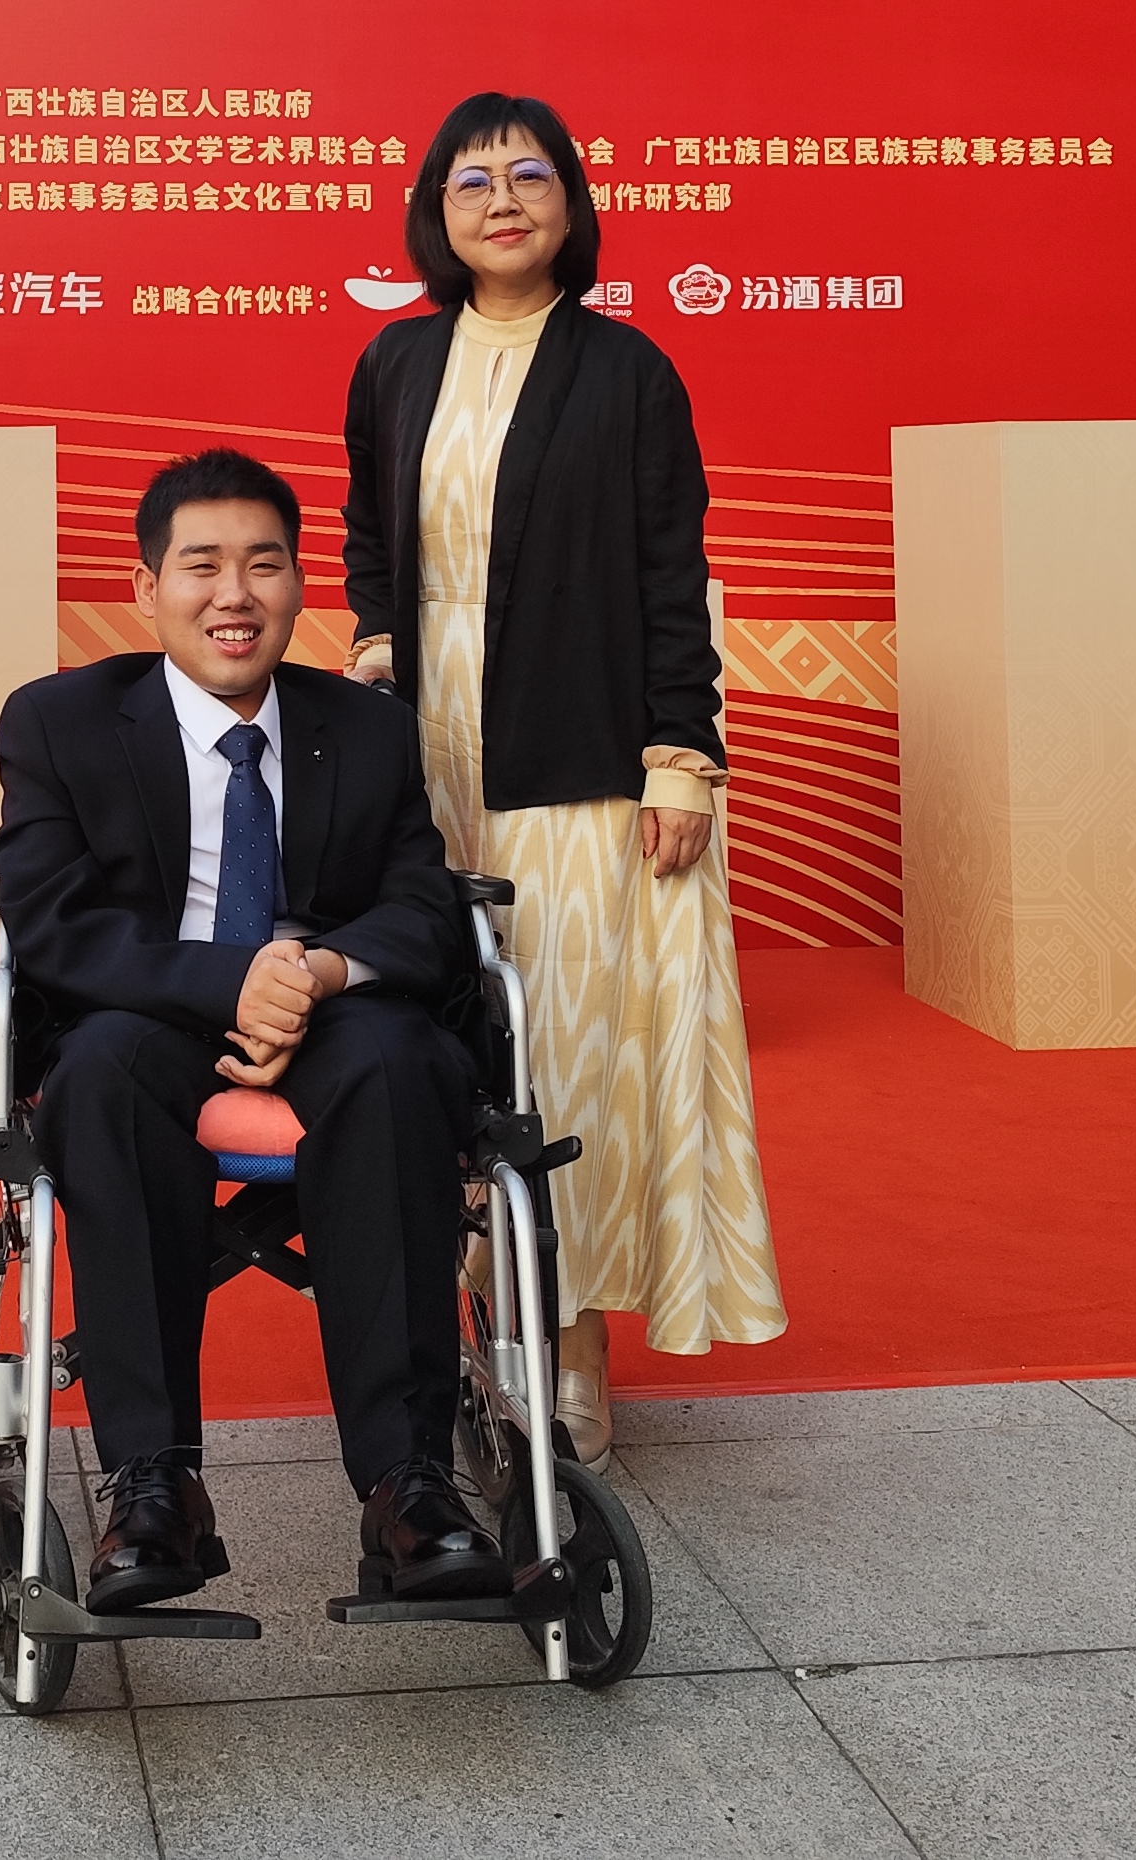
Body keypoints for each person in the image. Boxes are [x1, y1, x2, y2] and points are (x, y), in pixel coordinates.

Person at [0, 446, 511, 1613]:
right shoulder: (61, 722)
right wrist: (235, 985)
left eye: (264, 564)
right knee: (102, 1078)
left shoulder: (367, 729)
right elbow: (53, 920)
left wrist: (311, 974)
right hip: (146, 1013)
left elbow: (422, 906)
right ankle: (153, 1484)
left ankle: (410, 1485)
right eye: (202, 566)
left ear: (299, 583)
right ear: (147, 586)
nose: (235, 594)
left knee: (401, 1065)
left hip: (335, 1012)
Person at [342, 92, 785, 1462]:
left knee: (568, 1054)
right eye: (472, 182)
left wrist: (682, 757)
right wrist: (373, 642)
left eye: (530, 176)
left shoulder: (627, 371)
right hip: (427, 752)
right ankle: (462, 1318)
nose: (503, 201)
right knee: (442, 1031)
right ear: (437, 213)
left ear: (572, 207)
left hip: (581, 753)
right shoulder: (396, 362)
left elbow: (672, 573)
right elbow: (370, 531)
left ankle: (574, 1351)